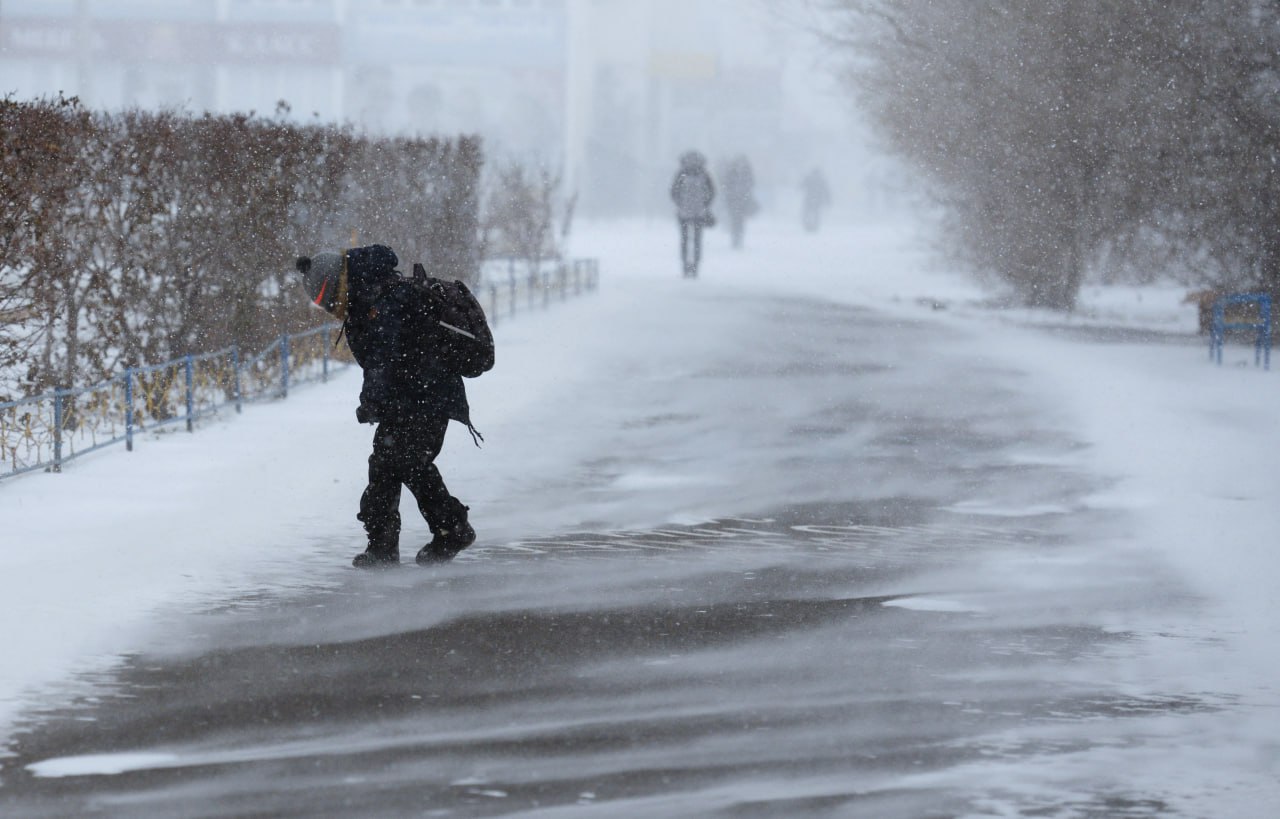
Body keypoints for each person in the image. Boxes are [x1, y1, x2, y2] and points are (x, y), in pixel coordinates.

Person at [296, 244, 476, 568]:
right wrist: (378, 400)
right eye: (322, 304)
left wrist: (372, 401)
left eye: (327, 297)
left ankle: (452, 528)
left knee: (408, 460)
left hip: (429, 395)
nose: (329, 307)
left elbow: (386, 357)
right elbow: (383, 361)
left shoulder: (383, 298)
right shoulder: (366, 299)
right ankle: (382, 547)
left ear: (338, 283)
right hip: (408, 398)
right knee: (384, 464)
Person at [670, 150, 716, 277]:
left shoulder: (681, 174)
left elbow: (674, 192)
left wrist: (680, 203)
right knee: (696, 240)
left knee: (685, 240)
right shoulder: (704, 174)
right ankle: (695, 265)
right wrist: (705, 204)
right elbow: (711, 192)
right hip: (699, 212)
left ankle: (686, 265)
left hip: (684, 212)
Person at [721, 154, 758, 250]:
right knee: (735, 219)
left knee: (740, 220)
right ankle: (736, 238)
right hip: (734, 200)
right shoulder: (734, 172)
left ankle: (738, 237)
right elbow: (726, 185)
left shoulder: (744, 172)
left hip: (741, 200)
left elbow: (751, 184)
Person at [801, 167, 832, 233]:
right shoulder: (821, 180)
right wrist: (828, 200)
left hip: (809, 199)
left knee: (807, 213)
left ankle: (807, 225)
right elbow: (826, 190)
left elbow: (801, 185)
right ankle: (814, 226)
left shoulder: (809, 178)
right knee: (816, 213)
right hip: (817, 200)